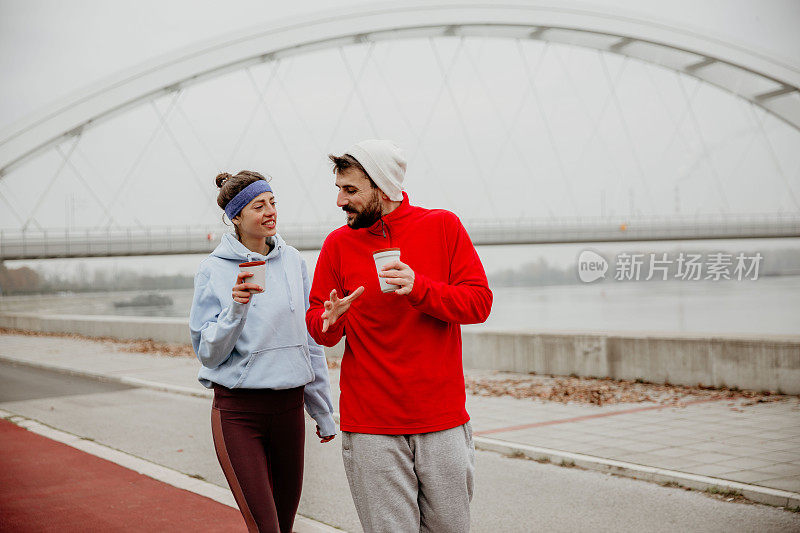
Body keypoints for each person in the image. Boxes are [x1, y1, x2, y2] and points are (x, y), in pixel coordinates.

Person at [305, 140, 493, 532]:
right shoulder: (337, 245)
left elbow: (479, 303)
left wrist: (420, 288)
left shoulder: (442, 225)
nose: (340, 200)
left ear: (383, 188)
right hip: (371, 424)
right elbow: (319, 326)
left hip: (440, 418)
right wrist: (329, 320)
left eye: (351, 190)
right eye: (339, 189)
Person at [189, 170, 336, 533]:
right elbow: (208, 353)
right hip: (239, 414)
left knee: (284, 527)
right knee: (266, 528)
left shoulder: (294, 261)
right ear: (236, 217)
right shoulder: (212, 270)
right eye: (259, 205)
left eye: (273, 202)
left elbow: (310, 343)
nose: (271, 211)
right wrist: (237, 309)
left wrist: (323, 410)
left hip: (289, 409)